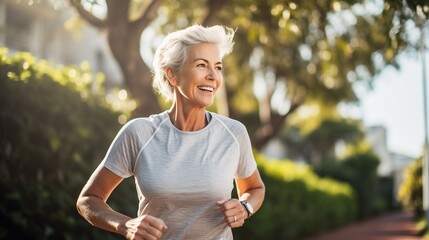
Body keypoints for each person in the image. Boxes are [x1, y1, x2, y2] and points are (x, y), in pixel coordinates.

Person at [76, 24, 265, 240]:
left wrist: (245, 207)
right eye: (202, 65)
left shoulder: (233, 133)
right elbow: (88, 200)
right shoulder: (139, 133)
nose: (213, 76)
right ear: (172, 75)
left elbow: (255, 188)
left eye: (218, 67)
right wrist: (126, 225)